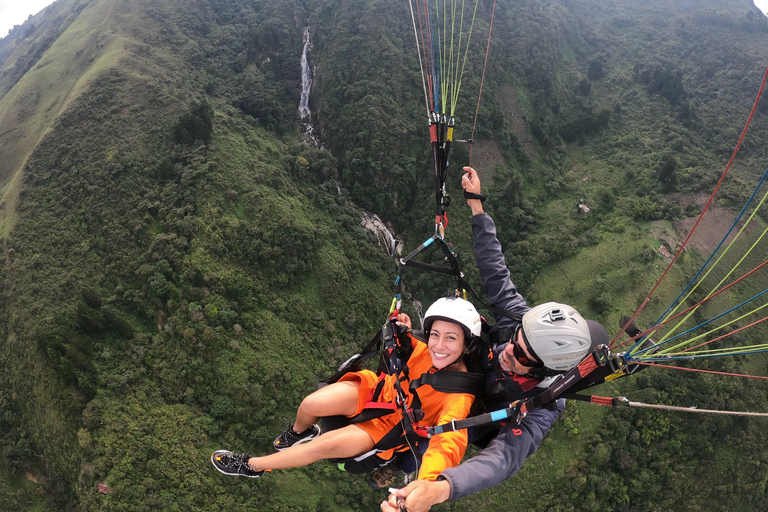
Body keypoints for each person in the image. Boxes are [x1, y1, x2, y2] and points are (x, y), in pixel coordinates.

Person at [382, 166, 609, 512]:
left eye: (521, 356)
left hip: (474, 413)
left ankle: (399, 467)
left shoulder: (545, 402)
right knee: (422, 356)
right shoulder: (524, 321)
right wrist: (476, 205)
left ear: (543, 369)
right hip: (464, 369)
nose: (509, 351)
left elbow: (502, 459)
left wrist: (442, 488)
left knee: (423, 450)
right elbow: (494, 270)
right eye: (516, 340)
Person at [211, 296, 484, 482]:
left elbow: (448, 443)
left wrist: (427, 484)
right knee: (310, 405)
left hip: (389, 427)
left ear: (466, 345)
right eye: (435, 334)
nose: (439, 345)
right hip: (377, 391)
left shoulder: (459, 397)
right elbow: (409, 345)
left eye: (451, 338)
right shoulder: (425, 349)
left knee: (324, 445)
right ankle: (299, 431)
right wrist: (404, 329)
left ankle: (252, 465)